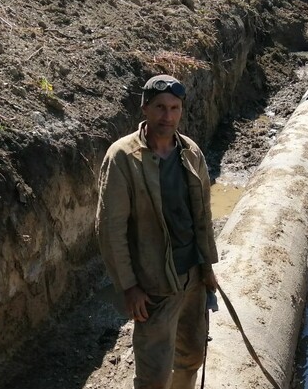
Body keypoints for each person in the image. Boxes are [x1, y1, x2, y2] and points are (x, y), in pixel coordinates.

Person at [96, 74, 219, 389]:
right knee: (154, 376)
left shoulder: (190, 151)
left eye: (175, 108)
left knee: (192, 355)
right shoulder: (123, 157)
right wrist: (129, 286)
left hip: (192, 276)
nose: (168, 116)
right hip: (154, 287)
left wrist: (207, 267)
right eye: (160, 107)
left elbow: (202, 215)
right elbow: (111, 229)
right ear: (145, 109)